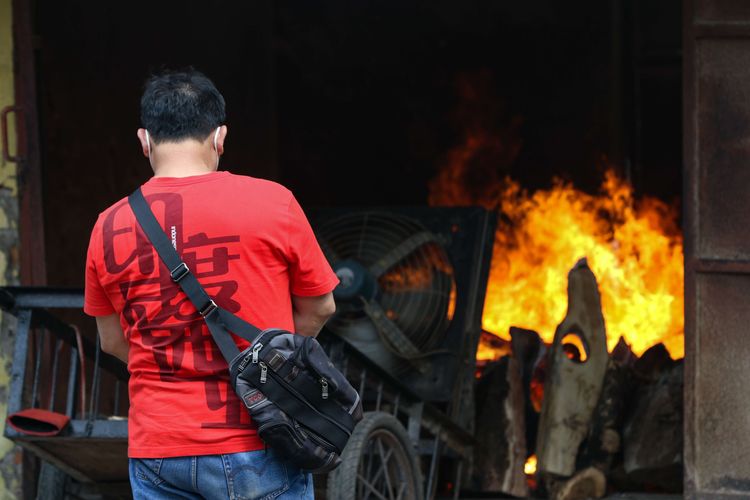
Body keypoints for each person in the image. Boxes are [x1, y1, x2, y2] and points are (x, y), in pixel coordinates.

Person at [84, 68, 339, 499]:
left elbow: (111, 341)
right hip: (259, 436)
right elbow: (320, 307)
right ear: (220, 137)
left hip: (157, 448)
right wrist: (271, 364)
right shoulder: (272, 201)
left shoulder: (107, 226)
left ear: (144, 140)